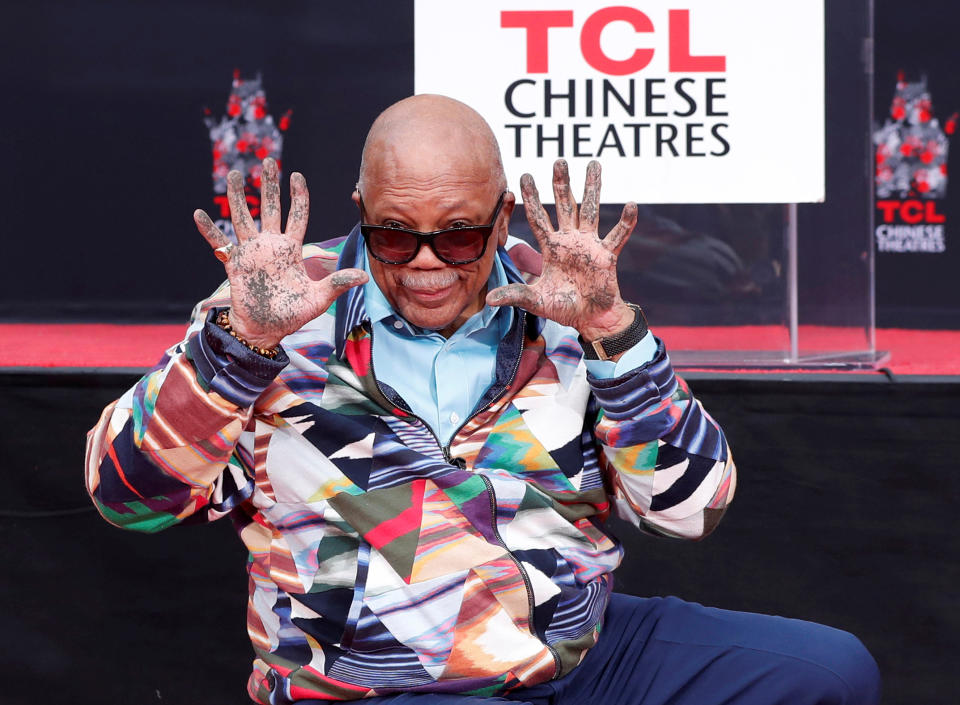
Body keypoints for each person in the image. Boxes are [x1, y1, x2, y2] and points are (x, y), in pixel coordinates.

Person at [85, 95, 880, 704]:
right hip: (381, 678)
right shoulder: (277, 308)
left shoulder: (564, 299)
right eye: (396, 234)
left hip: (573, 654)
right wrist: (239, 343)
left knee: (829, 672)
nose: (427, 262)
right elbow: (132, 498)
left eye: (459, 234)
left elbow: (691, 510)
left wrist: (612, 329)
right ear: (361, 212)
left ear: (501, 217)